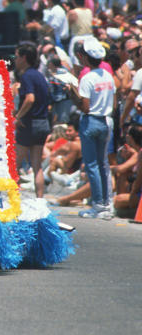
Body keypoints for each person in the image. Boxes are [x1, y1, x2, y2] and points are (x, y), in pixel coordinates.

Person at [66, 37, 116, 219]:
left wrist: (72, 94)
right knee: (103, 165)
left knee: (92, 165)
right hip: (105, 120)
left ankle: (98, 205)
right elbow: (115, 104)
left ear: (86, 58)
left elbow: (85, 107)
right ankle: (106, 204)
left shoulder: (87, 78)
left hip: (90, 121)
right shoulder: (108, 76)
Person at [14, 43, 51, 197]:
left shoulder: (27, 75)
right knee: (37, 166)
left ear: (24, 58)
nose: (15, 60)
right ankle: (39, 201)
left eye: (16, 57)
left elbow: (30, 99)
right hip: (43, 122)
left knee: (14, 165)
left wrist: (18, 116)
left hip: (29, 124)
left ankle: (12, 200)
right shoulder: (40, 76)